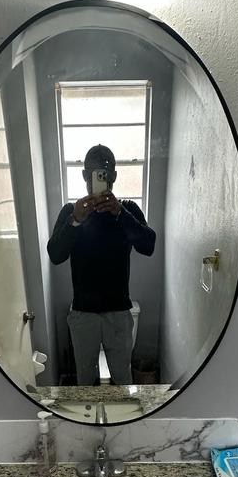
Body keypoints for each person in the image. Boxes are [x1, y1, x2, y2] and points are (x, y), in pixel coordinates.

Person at [47, 144, 156, 385]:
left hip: (118, 312)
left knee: (122, 380)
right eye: (93, 173)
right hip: (83, 313)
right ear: (84, 175)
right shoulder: (71, 211)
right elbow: (55, 254)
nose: (98, 179)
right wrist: (75, 221)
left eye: (104, 174)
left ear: (113, 177)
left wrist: (120, 213)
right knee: (86, 382)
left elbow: (148, 246)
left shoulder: (128, 209)